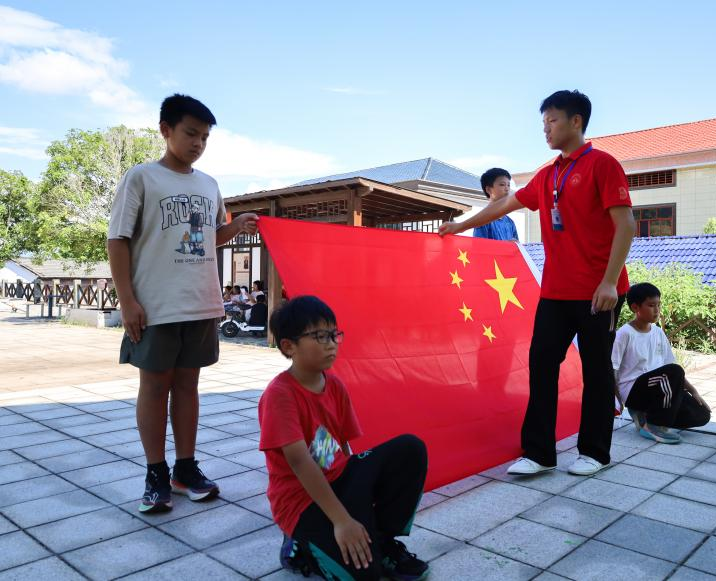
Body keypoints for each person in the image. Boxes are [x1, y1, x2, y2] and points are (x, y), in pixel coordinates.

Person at [439, 90, 636, 477]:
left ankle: (594, 452)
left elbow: (625, 225)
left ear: (576, 121)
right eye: (543, 122)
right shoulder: (548, 175)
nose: (546, 129)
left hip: (599, 292)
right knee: (541, 365)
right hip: (556, 292)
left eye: (552, 121)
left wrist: (610, 282)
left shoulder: (603, 165)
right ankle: (539, 453)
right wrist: (460, 226)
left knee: (596, 372)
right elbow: (503, 205)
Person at [107, 94, 259, 513]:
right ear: (166, 129)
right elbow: (117, 240)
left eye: (205, 137)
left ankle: (185, 469)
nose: (198, 143)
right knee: (155, 387)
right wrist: (127, 301)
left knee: (189, 386)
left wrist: (235, 227)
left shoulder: (209, 185)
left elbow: (206, 238)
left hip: (201, 302)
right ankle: (155, 473)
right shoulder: (141, 178)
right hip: (155, 304)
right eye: (191, 133)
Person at [259, 296, 429, 581]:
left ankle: (383, 539)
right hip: (301, 501)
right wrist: (342, 520)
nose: (331, 343)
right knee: (365, 574)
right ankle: (300, 545)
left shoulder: (334, 385)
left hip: (337, 480)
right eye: (319, 336)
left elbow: (342, 449)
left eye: (333, 334)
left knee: (410, 448)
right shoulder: (280, 395)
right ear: (289, 346)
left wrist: (356, 504)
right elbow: (301, 463)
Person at [612, 283, 711, 443]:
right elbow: (612, 369)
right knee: (673, 372)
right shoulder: (624, 334)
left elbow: (670, 364)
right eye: (651, 305)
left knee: (701, 414)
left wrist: (693, 391)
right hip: (634, 391)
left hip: (658, 387)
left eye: (659, 305)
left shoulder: (658, 332)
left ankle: (646, 418)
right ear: (635, 307)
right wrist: (617, 399)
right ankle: (654, 424)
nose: (657, 310)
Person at [473, 168, 519, 241]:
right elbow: (478, 246)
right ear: (488, 189)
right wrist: (506, 246)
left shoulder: (510, 222)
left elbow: (517, 246)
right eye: (502, 185)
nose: (507, 189)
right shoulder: (482, 220)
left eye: (508, 185)